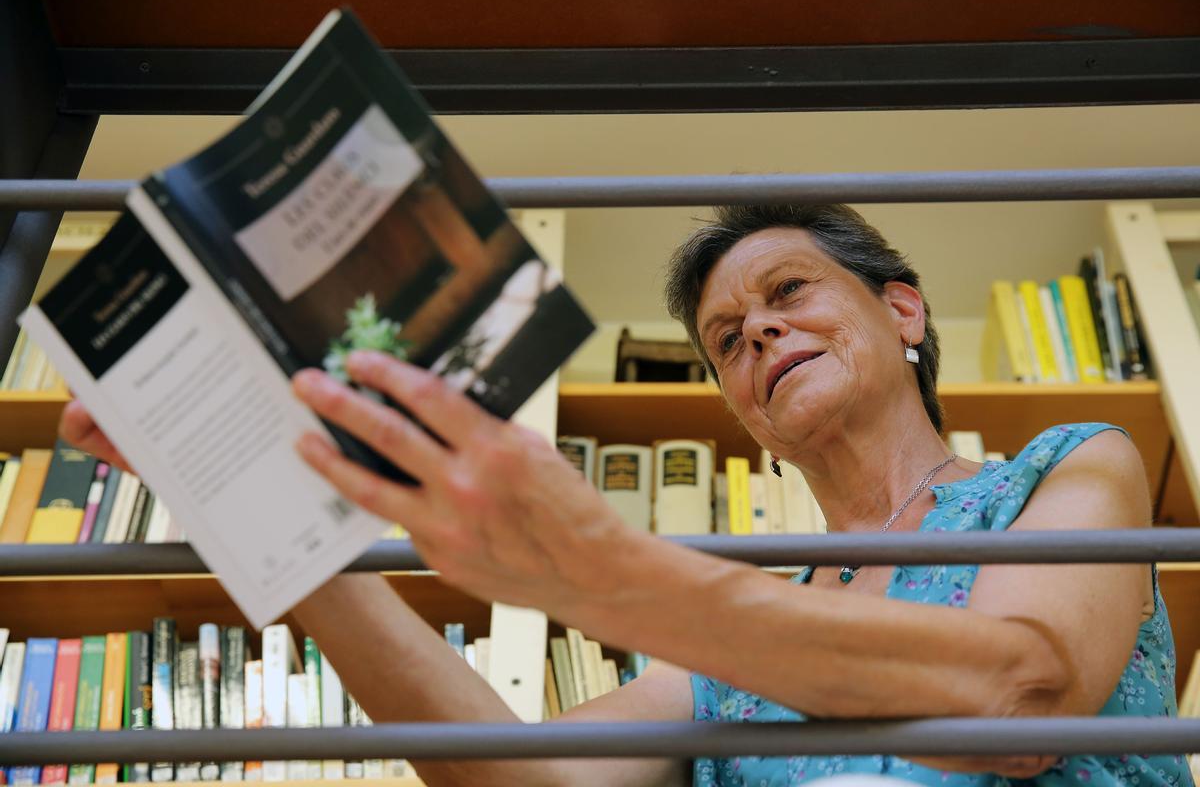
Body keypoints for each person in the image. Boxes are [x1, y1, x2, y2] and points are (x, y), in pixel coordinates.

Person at [61, 204, 1190, 787]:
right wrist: (261, 513)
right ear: (739, 405)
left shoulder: (1071, 465)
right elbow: (521, 779)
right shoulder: (722, 656)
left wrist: (605, 571)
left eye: (789, 291)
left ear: (904, 312)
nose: (756, 329)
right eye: (726, 339)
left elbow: (1027, 694)